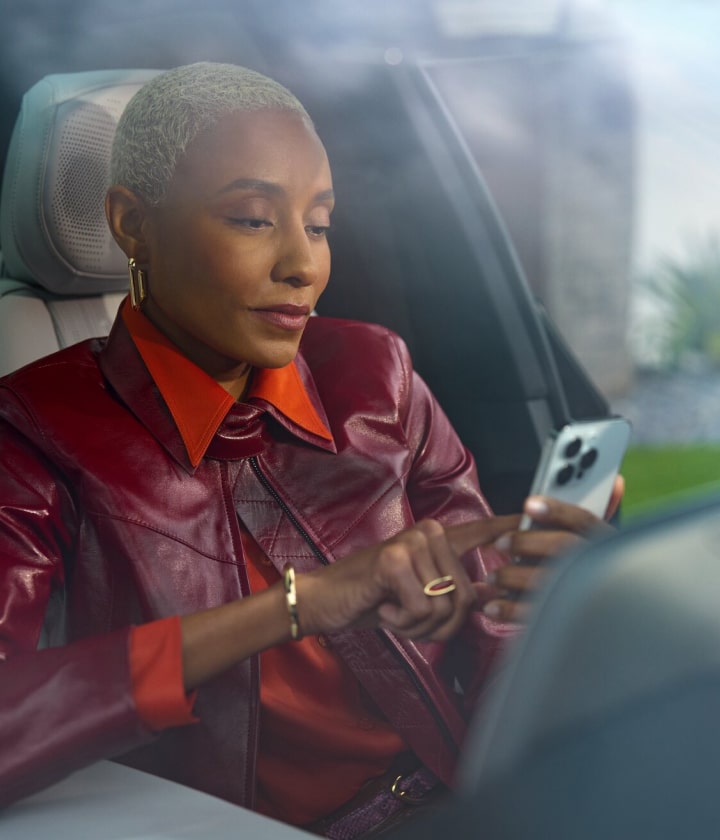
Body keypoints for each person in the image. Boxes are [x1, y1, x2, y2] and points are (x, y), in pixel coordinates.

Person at [0, 62, 620, 835]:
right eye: (254, 219)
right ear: (133, 225)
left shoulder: (376, 376)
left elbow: (493, 634)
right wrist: (297, 607)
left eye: (319, 223)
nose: (305, 265)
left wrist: (563, 602)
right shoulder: (33, 433)